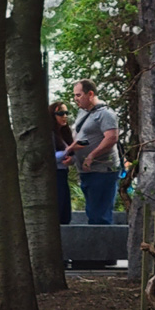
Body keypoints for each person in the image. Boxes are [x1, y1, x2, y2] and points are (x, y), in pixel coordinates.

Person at [62, 79, 120, 225]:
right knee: (92, 213)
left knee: (99, 216)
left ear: (90, 94)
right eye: (74, 96)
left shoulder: (105, 114)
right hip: (86, 172)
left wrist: (91, 156)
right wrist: (72, 154)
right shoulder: (83, 113)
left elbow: (111, 138)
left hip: (102, 171)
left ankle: (103, 247)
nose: (75, 99)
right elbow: (86, 140)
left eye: (78, 95)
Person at [50, 101, 74, 225]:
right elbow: (50, 157)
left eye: (66, 113)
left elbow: (70, 155)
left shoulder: (65, 133)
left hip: (64, 174)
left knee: (65, 214)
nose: (64, 116)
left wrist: (71, 158)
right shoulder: (50, 134)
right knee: (58, 212)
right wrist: (69, 150)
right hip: (54, 176)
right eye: (60, 113)